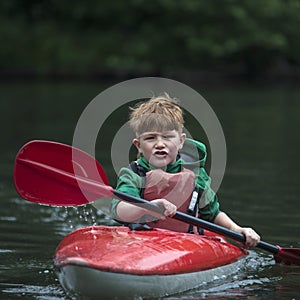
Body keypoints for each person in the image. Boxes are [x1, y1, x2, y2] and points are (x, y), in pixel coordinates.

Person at [110, 94, 260, 247]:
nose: (160, 144)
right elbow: (119, 210)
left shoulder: (196, 175)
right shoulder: (134, 174)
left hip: (186, 245)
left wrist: (236, 229)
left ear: (181, 141)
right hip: (141, 244)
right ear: (139, 145)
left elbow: (212, 214)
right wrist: (148, 207)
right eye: (150, 138)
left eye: (167, 137)